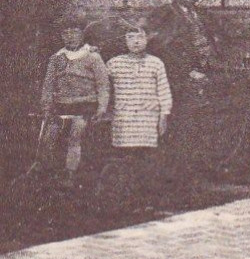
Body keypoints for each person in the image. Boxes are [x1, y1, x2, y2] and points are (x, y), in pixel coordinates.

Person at [39, 21, 110, 184]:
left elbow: (103, 84)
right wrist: (46, 106)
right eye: (66, 33)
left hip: (85, 105)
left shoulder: (93, 57)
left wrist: (102, 107)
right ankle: (47, 172)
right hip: (62, 104)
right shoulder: (56, 58)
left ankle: (70, 174)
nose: (70, 36)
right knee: (49, 135)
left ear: (82, 34)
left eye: (74, 32)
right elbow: (48, 84)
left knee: (75, 134)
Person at [107, 28, 173, 154]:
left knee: (146, 156)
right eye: (131, 37)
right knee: (124, 154)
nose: (136, 42)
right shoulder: (114, 63)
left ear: (147, 40)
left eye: (140, 37)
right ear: (125, 41)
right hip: (124, 118)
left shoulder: (156, 63)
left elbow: (164, 91)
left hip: (147, 119)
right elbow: (103, 87)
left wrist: (163, 117)